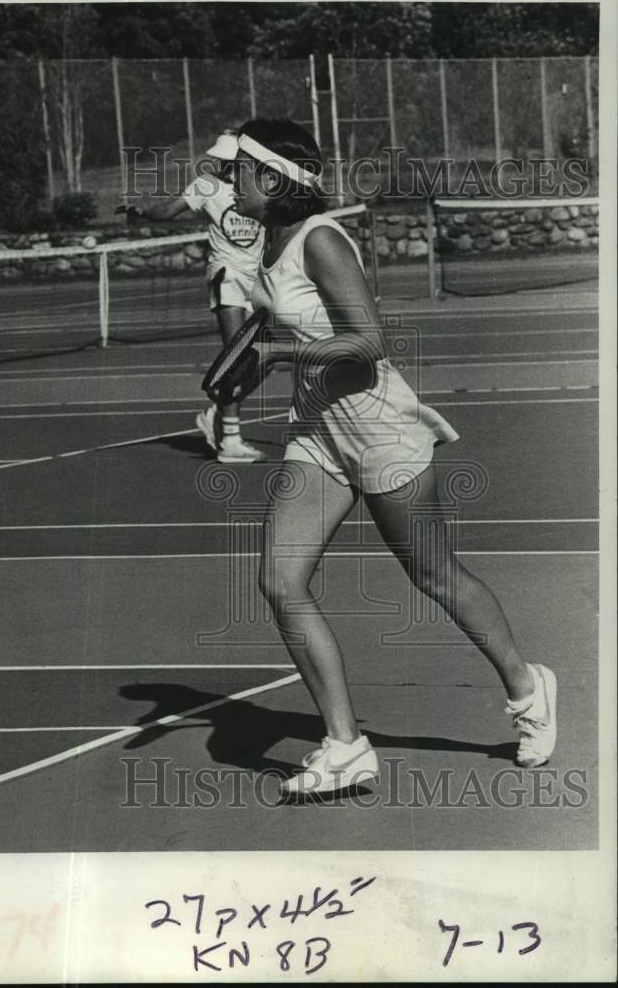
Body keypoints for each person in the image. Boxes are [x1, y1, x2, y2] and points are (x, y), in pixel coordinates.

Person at [230, 118, 558, 797]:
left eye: (237, 167)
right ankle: (345, 744)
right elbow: (284, 327)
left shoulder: (320, 239)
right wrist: (244, 369)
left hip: (379, 428)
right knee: (280, 582)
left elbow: (370, 342)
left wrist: (279, 355)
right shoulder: (269, 241)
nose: (226, 178)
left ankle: (529, 691)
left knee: (435, 578)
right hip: (318, 429)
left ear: (270, 179)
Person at [121, 130, 265, 463]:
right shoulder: (206, 185)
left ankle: (219, 408)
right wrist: (141, 212)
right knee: (236, 356)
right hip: (226, 276)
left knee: (265, 354)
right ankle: (231, 439)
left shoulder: (256, 186)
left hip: (257, 278)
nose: (220, 163)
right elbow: (168, 211)